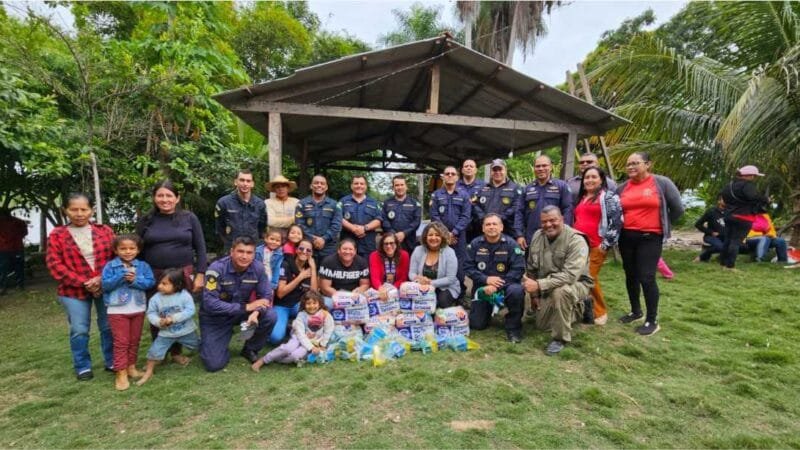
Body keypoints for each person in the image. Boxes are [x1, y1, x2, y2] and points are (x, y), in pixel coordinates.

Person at [136, 180, 206, 365]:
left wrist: (200, 273)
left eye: (169, 195)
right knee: (157, 312)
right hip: (154, 275)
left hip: (182, 274)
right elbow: (137, 250)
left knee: (179, 311)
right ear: (154, 198)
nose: (165, 199)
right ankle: (160, 353)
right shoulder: (146, 220)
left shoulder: (189, 218)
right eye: (160, 195)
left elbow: (200, 248)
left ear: (177, 198)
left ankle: (176, 352)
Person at [46, 193, 115, 381]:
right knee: (79, 329)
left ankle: (112, 360)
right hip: (73, 290)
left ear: (91, 210)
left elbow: (116, 258)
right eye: (73, 209)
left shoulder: (104, 231)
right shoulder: (57, 235)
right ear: (65, 211)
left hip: (104, 285)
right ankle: (83, 365)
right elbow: (55, 265)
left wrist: (101, 279)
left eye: (84, 209)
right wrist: (84, 282)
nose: (79, 213)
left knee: (108, 326)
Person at [616, 152, 684, 336]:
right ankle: (635, 311)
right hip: (627, 237)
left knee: (647, 276)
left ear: (647, 165)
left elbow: (677, 208)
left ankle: (651, 320)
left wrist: (663, 224)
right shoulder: (622, 188)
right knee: (630, 275)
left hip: (650, 237)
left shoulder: (661, 183)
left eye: (635, 163)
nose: (630, 167)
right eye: (628, 164)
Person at [522, 206, 595, 355]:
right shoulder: (537, 236)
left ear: (562, 219)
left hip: (576, 284)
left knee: (560, 292)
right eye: (544, 222)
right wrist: (534, 296)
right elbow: (531, 268)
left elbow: (570, 276)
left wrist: (539, 285)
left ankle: (560, 339)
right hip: (547, 285)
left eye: (553, 220)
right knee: (542, 325)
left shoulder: (577, 240)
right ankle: (579, 309)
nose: (548, 225)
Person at [199, 236, 277, 372]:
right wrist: (246, 307)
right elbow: (210, 303)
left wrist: (256, 311)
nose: (244, 256)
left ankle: (250, 349)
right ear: (231, 252)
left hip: (240, 314)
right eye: (240, 251)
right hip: (216, 317)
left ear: (254, 254)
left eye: (249, 253)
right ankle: (215, 342)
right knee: (214, 365)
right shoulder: (216, 269)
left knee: (270, 315)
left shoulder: (257, 268)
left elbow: (266, 295)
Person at [100, 234, 155, 390]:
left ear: (138, 250)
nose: (128, 251)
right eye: (123, 248)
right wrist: (121, 276)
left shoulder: (143, 266)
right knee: (121, 342)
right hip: (117, 310)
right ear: (116, 250)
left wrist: (135, 280)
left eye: (132, 248)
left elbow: (150, 282)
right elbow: (106, 285)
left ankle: (131, 367)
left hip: (138, 308)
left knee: (134, 340)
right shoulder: (111, 266)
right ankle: (121, 372)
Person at [572, 167, 622, 325]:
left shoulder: (608, 196)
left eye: (594, 177)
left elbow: (617, 221)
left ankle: (600, 312)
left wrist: (606, 244)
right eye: (587, 177)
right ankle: (584, 308)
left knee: (589, 277)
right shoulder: (582, 197)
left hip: (596, 245)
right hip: (579, 246)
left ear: (601, 180)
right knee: (581, 276)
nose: (589, 180)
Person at [465, 214, 526, 342]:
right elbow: (468, 267)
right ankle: (489, 309)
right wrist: (485, 280)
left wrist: (497, 285)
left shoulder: (511, 244)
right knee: (477, 325)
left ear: (501, 227)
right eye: (488, 224)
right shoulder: (475, 244)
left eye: (494, 224)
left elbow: (518, 269)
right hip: (483, 287)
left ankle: (513, 328)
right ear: (483, 228)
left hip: (507, 286)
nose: (491, 227)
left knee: (517, 291)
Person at [137, 269, 201, 386]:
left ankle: (208, 358)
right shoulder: (155, 299)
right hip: (165, 334)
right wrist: (158, 321)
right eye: (160, 283)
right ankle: (149, 372)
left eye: (165, 284)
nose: (160, 286)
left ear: (177, 285)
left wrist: (174, 318)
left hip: (186, 331)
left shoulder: (184, 296)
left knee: (200, 346)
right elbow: (151, 313)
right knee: (154, 352)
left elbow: (190, 310)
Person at [252, 291, 334, 370]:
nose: (312, 306)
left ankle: (277, 359)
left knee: (295, 356)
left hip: (313, 341)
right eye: (308, 303)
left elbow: (328, 330)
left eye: (314, 303)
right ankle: (263, 360)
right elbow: (301, 335)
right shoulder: (301, 315)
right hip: (298, 337)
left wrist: (322, 345)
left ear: (319, 303)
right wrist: (311, 348)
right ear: (304, 304)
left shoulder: (325, 315)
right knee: (287, 348)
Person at [516, 155, 573, 251]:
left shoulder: (561, 186)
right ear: (534, 168)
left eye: (544, 165)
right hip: (532, 238)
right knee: (532, 265)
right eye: (538, 166)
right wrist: (519, 235)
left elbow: (568, 210)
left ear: (551, 167)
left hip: (555, 237)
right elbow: (519, 212)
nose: (541, 169)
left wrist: (565, 233)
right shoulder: (527, 189)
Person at [430, 166, 472, 296]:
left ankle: (460, 295)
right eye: (447, 173)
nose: (449, 175)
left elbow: (466, 216)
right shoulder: (436, 195)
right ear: (443, 176)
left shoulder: (464, 195)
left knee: (459, 268)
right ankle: (440, 294)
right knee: (440, 266)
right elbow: (434, 216)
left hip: (458, 238)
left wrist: (453, 233)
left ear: (457, 177)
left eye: (452, 173)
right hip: (440, 239)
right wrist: (445, 234)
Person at [720, 165, 769, 270]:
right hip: (743, 217)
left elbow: (724, 198)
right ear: (750, 176)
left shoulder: (729, 185)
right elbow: (753, 197)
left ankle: (723, 264)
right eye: (754, 176)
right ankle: (730, 266)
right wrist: (765, 199)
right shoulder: (748, 185)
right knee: (736, 241)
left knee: (728, 240)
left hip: (728, 215)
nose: (754, 178)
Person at [272, 239, 318, 345]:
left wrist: (314, 268)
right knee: (276, 338)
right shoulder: (286, 264)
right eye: (301, 248)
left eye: (308, 250)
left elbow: (314, 294)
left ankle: (292, 325)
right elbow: (280, 293)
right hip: (282, 306)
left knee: (315, 327)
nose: (304, 251)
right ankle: (288, 326)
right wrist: (300, 277)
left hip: (299, 306)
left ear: (311, 253)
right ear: (296, 250)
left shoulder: (310, 268)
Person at [408, 221, 460, 308]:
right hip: (421, 286)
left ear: (442, 237)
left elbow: (450, 278)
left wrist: (430, 283)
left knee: (441, 302)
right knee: (413, 304)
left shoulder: (449, 252)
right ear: (425, 237)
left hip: (444, 287)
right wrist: (418, 280)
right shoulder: (418, 250)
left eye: (437, 235)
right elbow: (411, 273)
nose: (433, 238)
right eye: (430, 235)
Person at [215, 169, 267, 253]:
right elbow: (220, 229)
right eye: (242, 180)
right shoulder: (224, 202)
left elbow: (262, 228)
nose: (245, 184)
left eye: (248, 181)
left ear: (252, 184)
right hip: (231, 250)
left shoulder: (260, 204)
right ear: (236, 182)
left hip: (252, 250)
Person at [296, 174, 343, 262]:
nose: (319, 185)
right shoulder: (302, 204)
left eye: (322, 183)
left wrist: (324, 239)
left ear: (326, 187)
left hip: (329, 247)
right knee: (308, 273)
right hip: (308, 246)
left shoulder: (335, 205)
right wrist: (313, 239)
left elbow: (337, 225)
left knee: (327, 274)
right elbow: (299, 224)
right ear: (311, 186)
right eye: (316, 183)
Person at [473, 159, 523, 241]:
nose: (497, 172)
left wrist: (499, 218)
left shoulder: (515, 188)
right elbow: (474, 204)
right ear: (491, 172)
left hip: (507, 232)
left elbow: (516, 206)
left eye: (500, 169)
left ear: (505, 170)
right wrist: (483, 218)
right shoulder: (482, 188)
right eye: (494, 170)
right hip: (485, 232)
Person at [318, 239, 370, 309]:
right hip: (333, 295)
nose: (347, 252)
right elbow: (325, 288)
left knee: (369, 302)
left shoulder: (362, 262)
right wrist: (342, 297)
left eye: (350, 249)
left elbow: (365, 284)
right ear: (338, 250)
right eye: (344, 249)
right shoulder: (328, 262)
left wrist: (359, 291)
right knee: (327, 304)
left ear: (355, 251)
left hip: (354, 295)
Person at [339, 175, 383, 259]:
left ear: (366, 186)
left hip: (367, 245)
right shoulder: (343, 201)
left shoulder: (374, 202)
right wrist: (353, 228)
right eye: (356, 183)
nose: (359, 185)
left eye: (362, 184)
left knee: (366, 270)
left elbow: (379, 219)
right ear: (351, 186)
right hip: (347, 246)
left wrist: (364, 228)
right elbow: (338, 217)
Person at [381, 175, 422, 255]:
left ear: (406, 186)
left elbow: (416, 222)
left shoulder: (415, 203)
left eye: (402, 185)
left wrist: (404, 233)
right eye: (396, 185)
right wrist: (393, 234)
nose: (399, 187)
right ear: (393, 187)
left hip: (409, 242)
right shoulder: (387, 203)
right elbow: (384, 220)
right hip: (391, 242)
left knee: (408, 266)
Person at [457, 159, 487, 243]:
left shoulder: (484, 185)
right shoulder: (455, 185)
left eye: (471, 166)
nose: (468, 168)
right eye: (466, 166)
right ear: (462, 170)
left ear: (476, 170)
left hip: (478, 226)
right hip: (460, 225)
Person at [0, 207, 28, 294]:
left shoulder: (18, 222)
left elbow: (24, 232)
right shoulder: (19, 222)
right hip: (11, 248)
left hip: (10, 248)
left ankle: (7, 287)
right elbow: (24, 233)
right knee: (12, 268)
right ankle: (17, 286)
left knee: (8, 269)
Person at [693, 196, 726, 262]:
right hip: (711, 236)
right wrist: (711, 232)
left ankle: (720, 257)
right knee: (720, 247)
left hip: (725, 237)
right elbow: (698, 224)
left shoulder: (730, 212)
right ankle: (702, 256)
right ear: (719, 201)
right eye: (725, 199)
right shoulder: (711, 211)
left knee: (737, 246)